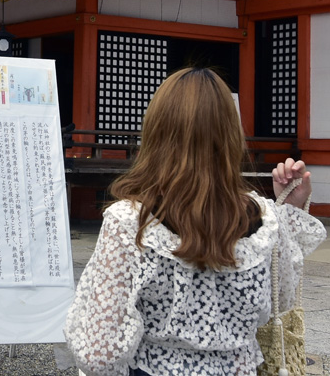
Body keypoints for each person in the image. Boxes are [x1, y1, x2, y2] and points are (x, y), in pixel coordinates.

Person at [64, 68, 325, 376]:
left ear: (156, 131)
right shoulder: (265, 221)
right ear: (230, 134)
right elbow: (279, 303)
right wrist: (288, 211)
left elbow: (99, 354)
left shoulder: (130, 223)